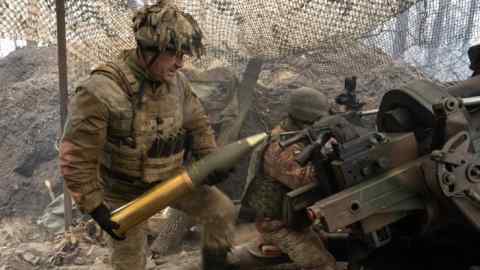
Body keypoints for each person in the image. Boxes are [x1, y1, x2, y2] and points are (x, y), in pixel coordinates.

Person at [59, 2, 235, 270]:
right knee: (129, 261)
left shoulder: (177, 84)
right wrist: (96, 208)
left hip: (170, 181)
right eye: (173, 54)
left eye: (183, 55)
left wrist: (211, 159)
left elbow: (197, 125)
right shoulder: (101, 90)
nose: (180, 63)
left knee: (221, 210)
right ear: (148, 49)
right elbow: (76, 157)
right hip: (121, 193)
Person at [239, 87, 362, 270]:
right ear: (303, 119)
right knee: (323, 265)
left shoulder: (298, 135)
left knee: (339, 244)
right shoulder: (280, 148)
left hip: (297, 220)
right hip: (278, 226)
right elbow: (309, 179)